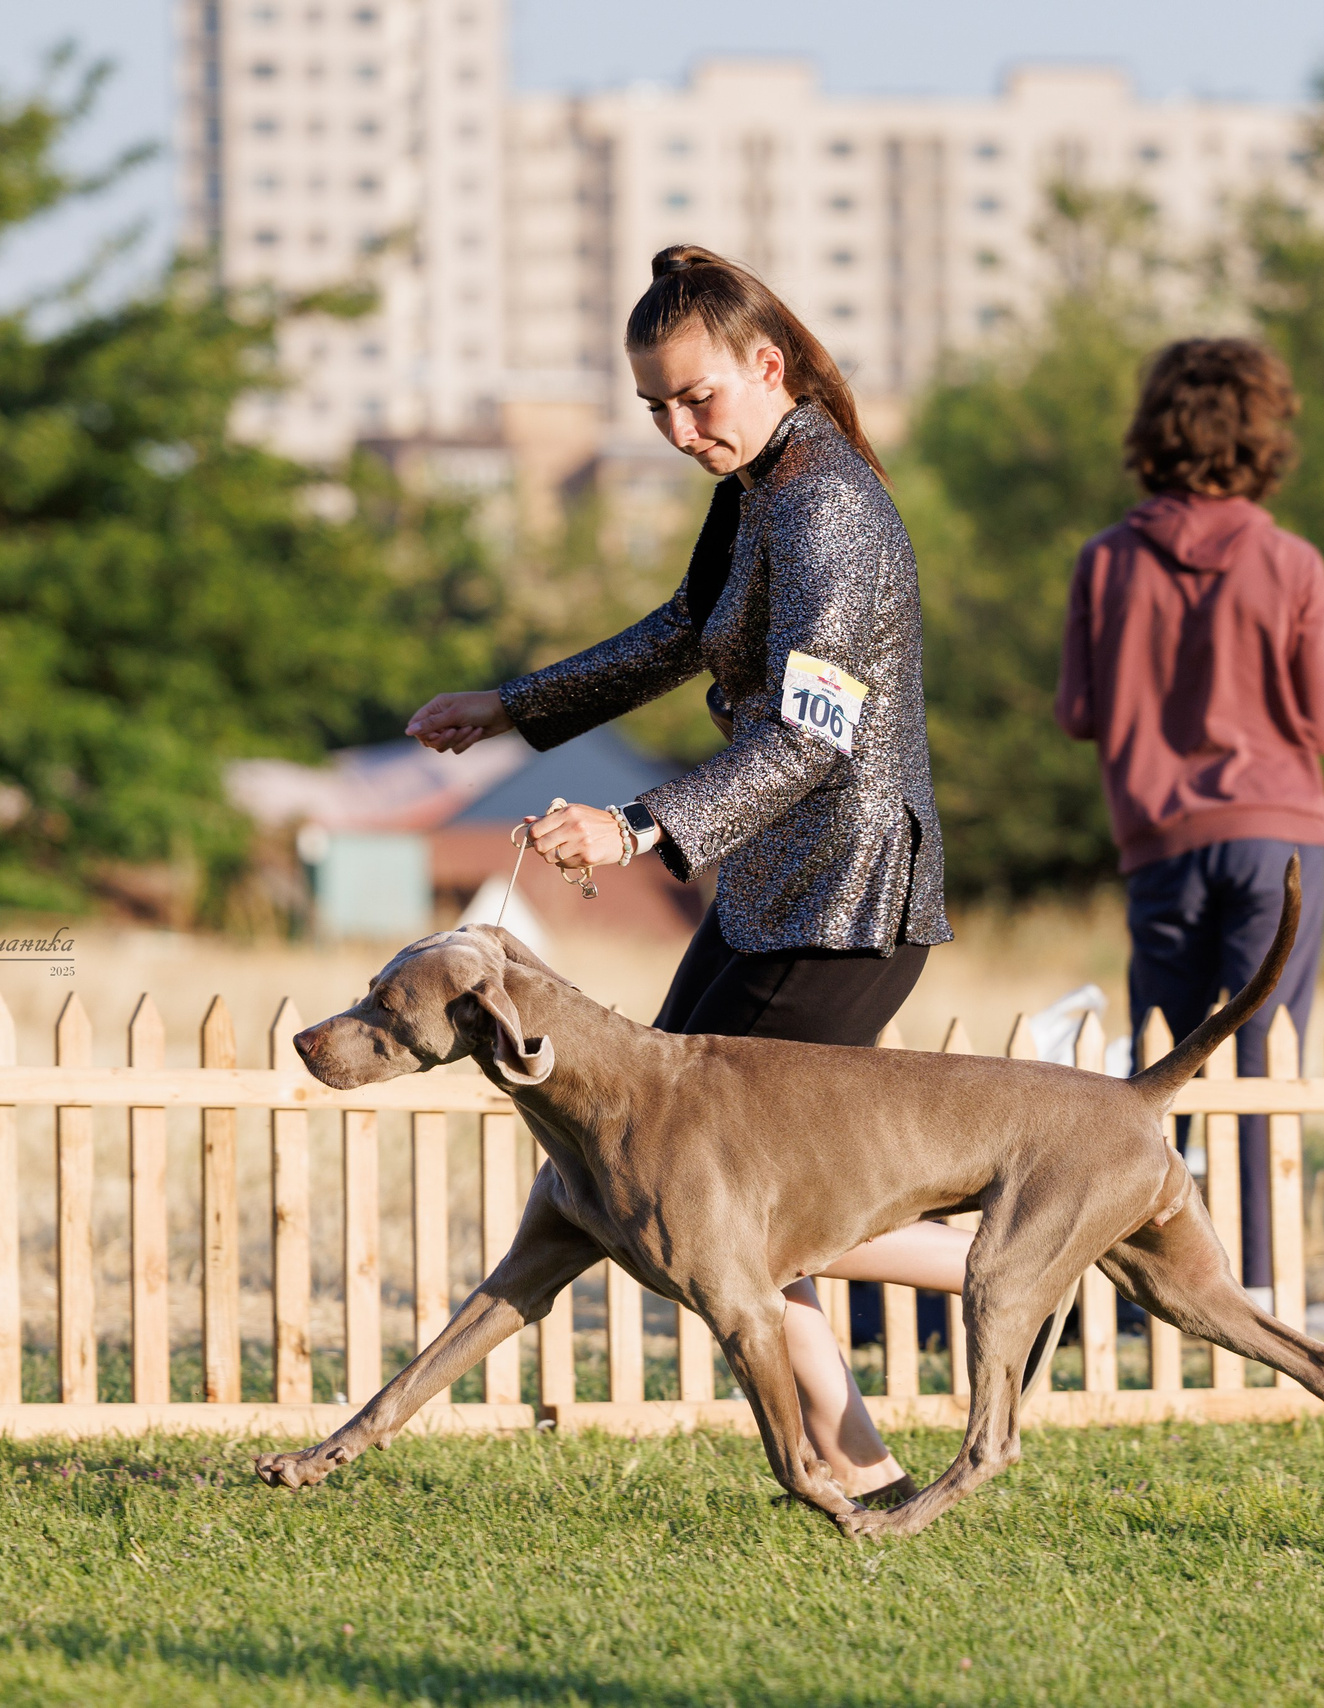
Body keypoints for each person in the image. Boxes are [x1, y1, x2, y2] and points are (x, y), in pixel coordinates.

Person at [403, 245, 964, 1505]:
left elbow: (812, 738)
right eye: (653, 406)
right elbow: (678, 634)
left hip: (845, 905)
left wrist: (635, 828)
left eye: (694, 397)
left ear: (769, 368)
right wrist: (512, 707)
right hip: (774, 890)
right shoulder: (760, 488)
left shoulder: (831, 510)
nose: (674, 426)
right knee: (709, 1181)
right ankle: (866, 1477)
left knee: (728, 1194)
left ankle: (1063, 1233)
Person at [1056, 337, 1324, 1296]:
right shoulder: (1291, 559)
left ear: (1154, 430)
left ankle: (1177, 1281)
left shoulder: (1104, 562)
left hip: (1160, 845)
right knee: (1259, 1060)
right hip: (1278, 838)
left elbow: (1078, 714)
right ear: (1265, 434)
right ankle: (1255, 1282)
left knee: (1166, 1069)